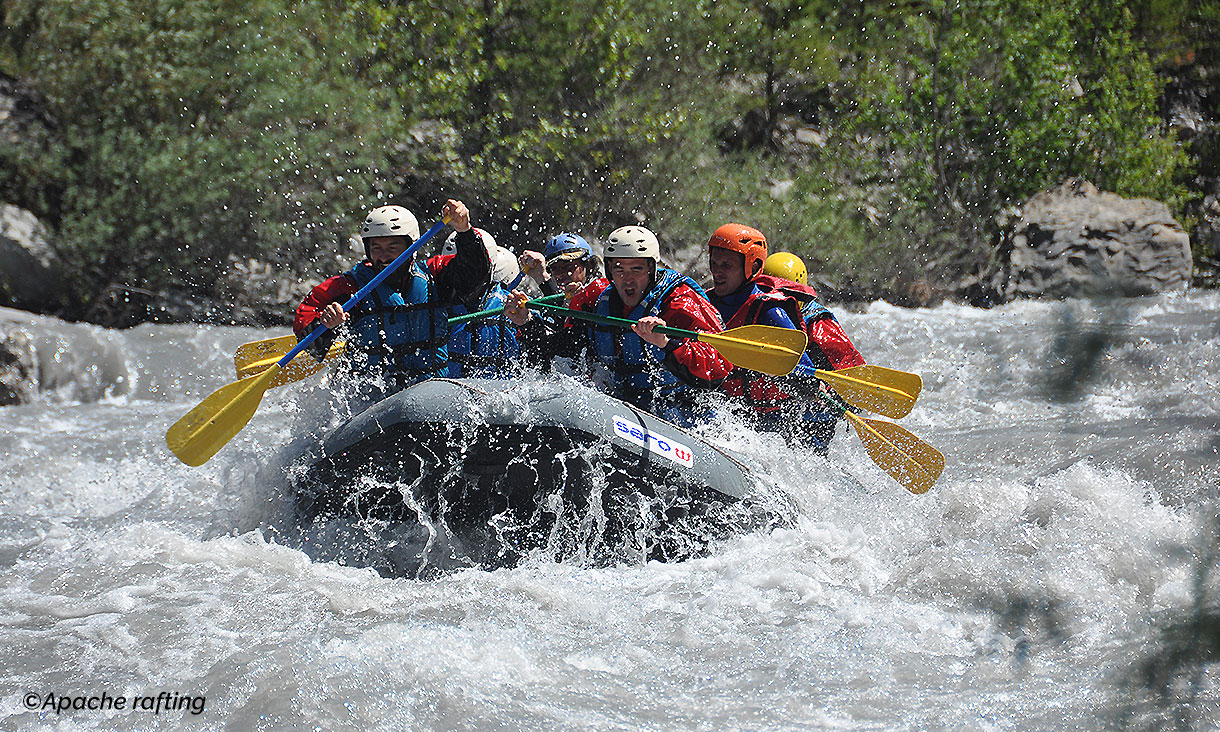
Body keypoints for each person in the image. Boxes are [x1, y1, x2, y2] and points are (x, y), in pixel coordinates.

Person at [506, 225, 732, 425]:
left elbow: (718, 368)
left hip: (682, 413)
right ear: (609, 271)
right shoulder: (595, 299)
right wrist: (525, 323)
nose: (627, 279)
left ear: (652, 270)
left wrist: (666, 343)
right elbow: (558, 350)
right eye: (619, 269)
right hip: (625, 411)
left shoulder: (680, 301)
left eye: (637, 269)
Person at [293, 199, 490, 395]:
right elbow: (309, 341)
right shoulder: (349, 287)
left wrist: (464, 231)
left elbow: (475, 277)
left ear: (412, 247)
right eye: (376, 248)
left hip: (430, 391)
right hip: (371, 398)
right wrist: (326, 324)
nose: (384, 257)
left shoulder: (434, 275)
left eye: (393, 248)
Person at [705, 224, 863, 452]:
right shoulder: (712, 302)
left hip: (804, 417)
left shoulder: (808, 320)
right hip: (746, 412)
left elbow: (848, 373)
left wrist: (822, 389)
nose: (780, 295)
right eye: (714, 264)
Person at [443, 228, 524, 378]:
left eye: (470, 270)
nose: (463, 278)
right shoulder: (433, 302)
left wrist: (527, 322)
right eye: (457, 271)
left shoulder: (512, 303)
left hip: (499, 393)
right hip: (446, 393)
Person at [518, 232, 602, 300]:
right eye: (554, 269)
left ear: (590, 266)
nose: (559, 274)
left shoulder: (601, 294)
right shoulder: (549, 301)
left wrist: (542, 277)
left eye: (568, 266)